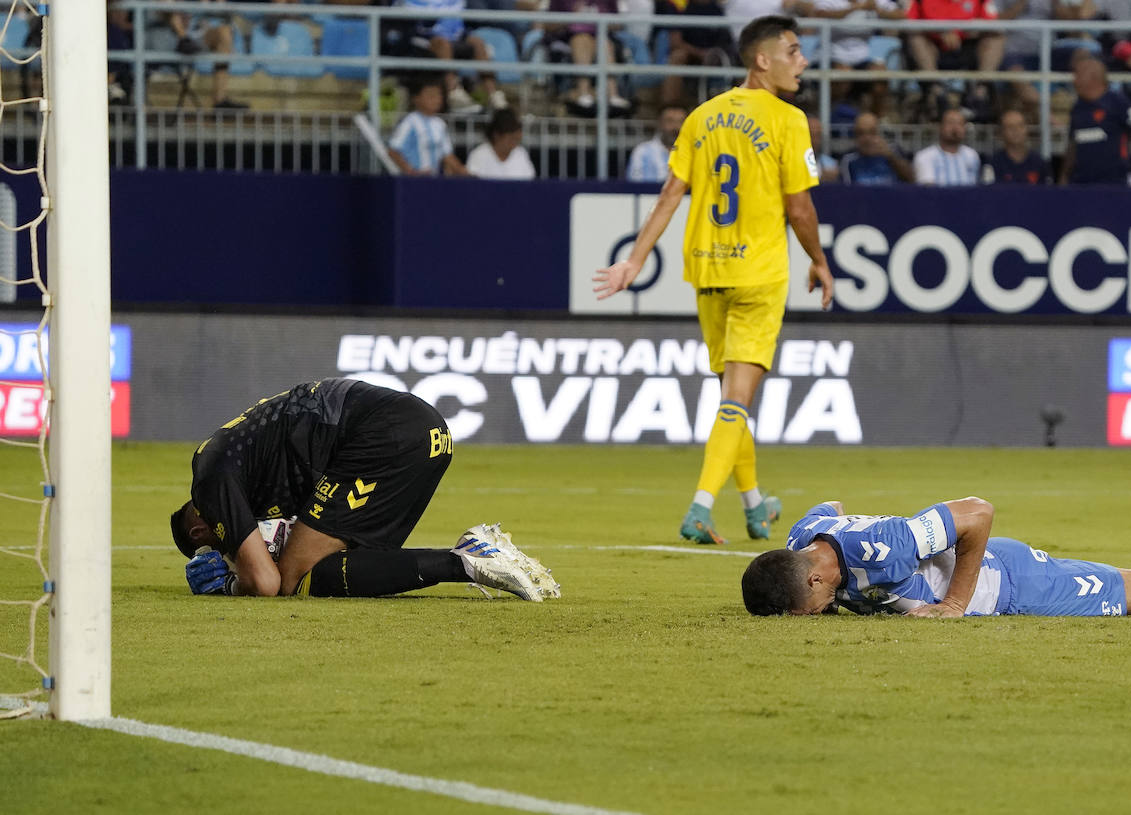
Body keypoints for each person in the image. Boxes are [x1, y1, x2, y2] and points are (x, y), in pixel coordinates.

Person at [592, 15, 834, 545]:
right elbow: (800, 208)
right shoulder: (788, 119)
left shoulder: (702, 116)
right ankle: (701, 507)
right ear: (762, 59)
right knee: (738, 401)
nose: (804, 62)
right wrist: (818, 259)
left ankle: (753, 504)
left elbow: (669, 194)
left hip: (706, 269)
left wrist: (634, 260)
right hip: (759, 273)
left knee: (731, 396)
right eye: (794, 51)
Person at [171, 378, 559, 601]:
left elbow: (267, 583)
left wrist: (228, 583)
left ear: (201, 530)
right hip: (427, 432)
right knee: (344, 566)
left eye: (218, 550)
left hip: (383, 436)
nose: (230, 554)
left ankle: (463, 560)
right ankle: (473, 558)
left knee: (293, 578)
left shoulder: (209, 482)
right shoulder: (248, 474)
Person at [741, 497, 1131, 618]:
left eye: (809, 606)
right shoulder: (806, 535)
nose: (813, 616)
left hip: (1011, 583)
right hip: (997, 578)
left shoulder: (888, 548)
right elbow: (831, 505)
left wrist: (954, 602)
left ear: (817, 575)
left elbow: (976, 512)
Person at [1059, 55, 1131, 185]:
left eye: (1077, 75)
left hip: (1114, 182)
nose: (1074, 80)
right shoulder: (1078, 108)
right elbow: (1072, 145)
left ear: (1092, 76)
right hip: (1081, 182)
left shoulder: (1119, 103)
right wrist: (1064, 175)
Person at [389, 0, 508, 114]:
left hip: (454, 37)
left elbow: (458, 21)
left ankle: (493, 95)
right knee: (443, 45)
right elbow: (407, 17)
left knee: (478, 43)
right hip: (422, 38)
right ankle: (453, 93)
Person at [903, 0, 1005, 121]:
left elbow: (992, 22)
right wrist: (940, 32)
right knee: (915, 38)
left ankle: (980, 93)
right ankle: (937, 93)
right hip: (933, 47)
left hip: (967, 45)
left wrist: (962, 32)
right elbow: (909, 23)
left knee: (996, 38)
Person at [547, 0, 634, 115]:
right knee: (582, 39)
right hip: (569, 39)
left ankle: (613, 94)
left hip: (601, 36)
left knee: (604, 43)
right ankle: (583, 92)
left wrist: (601, 18)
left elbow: (618, 24)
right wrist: (571, 16)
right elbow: (548, 25)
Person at [387, 75, 470, 176]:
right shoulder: (410, 122)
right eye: (431, 95)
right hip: (413, 181)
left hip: (432, 180)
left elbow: (447, 155)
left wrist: (464, 172)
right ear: (416, 98)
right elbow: (393, 150)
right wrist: (410, 171)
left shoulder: (440, 124)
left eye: (439, 95)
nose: (436, 99)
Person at [657, 0, 734, 107]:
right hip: (689, 55)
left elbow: (725, 42)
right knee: (677, 56)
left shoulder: (718, 7)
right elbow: (675, 42)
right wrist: (700, 53)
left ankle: (724, 109)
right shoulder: (679, 5)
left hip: (714, 56)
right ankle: (671, 109)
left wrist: (711, 54)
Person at [838, 112, 915, 185]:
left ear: (879, 133)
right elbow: (846, 192)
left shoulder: (894, 151)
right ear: (855, 137)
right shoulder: (848, 159)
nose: (867, 138)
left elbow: (912, 180)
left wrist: (891, 157)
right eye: (861, 133)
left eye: (872, 132)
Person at [982, 108, 1051, 184]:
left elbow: (1047, 192)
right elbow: (987, 192)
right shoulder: (992, 163)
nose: (1016, 130)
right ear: (1001, 132)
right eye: (1010, 127)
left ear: (1027, 129)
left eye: (1020, 126)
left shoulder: (1039, 163)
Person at [913, 107, 980, 186]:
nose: (955, 128)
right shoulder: (925, 156)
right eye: (950, 123)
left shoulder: (972, 155)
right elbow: (928, 191)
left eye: (960, 124)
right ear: (940, 127)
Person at [466, 108, 537, 179]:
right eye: (511, 137)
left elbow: (529, 183)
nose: (514, 142)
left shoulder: (521, 154)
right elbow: (473, 184)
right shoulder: (480, 154)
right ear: (496, 135)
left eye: (516, 139)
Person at [626, 104, 688, 182]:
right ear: (660, 123)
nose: (676, 127)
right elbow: (634, 187)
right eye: (670, 121)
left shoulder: (695, 152)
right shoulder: (642, 152)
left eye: (681, 121)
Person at [807, 113, 841, 182]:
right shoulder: (791, 163)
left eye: (818, 135)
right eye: (810, 135)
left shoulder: (831, 165)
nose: (814, 140)